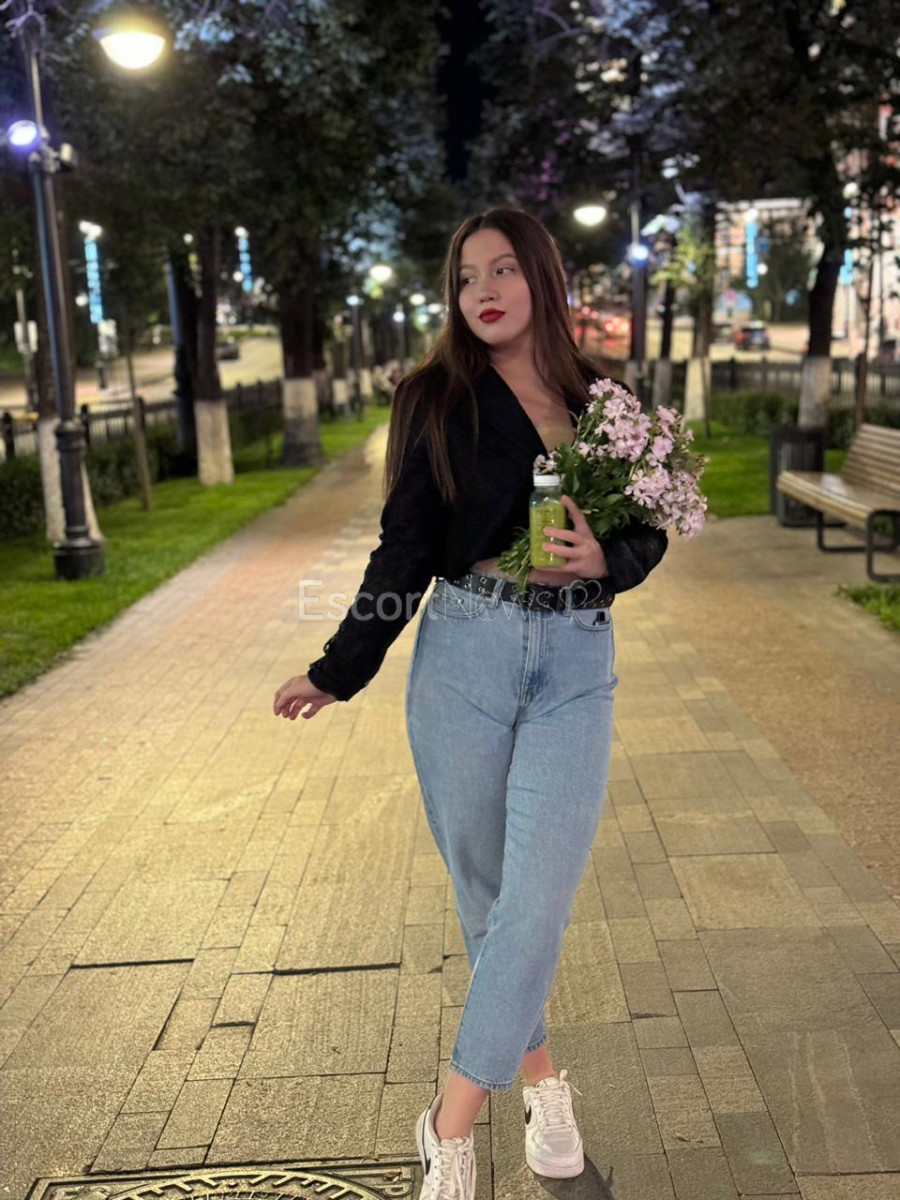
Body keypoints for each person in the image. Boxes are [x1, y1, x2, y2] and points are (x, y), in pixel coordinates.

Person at [273, 208, 669, 1197]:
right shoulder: (435, 398)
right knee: (492, 898)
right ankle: (541, 1084)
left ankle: (447, 1128)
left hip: (576, 661)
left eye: (502, 270)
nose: (482, 291)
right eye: (464, 276)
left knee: (537, 900)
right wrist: (337, 667)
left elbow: (651, 528)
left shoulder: (604, 399)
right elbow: (404, 546)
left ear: (542, 278)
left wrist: (606, 559)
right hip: (465, 656)